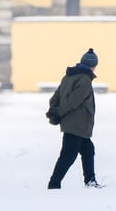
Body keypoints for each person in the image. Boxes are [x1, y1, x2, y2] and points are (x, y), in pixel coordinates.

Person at [46, 48, 102, 189]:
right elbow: (74, 101)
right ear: (93, 66)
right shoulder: (84, 80)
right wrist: (58, 112)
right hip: (77, 124)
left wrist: (54, 110)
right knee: (68, 155)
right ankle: (54, 184)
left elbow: (55, 97)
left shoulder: (68, 77)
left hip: (73, 124)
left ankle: (90, 181)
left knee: (88, 149)